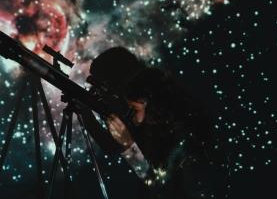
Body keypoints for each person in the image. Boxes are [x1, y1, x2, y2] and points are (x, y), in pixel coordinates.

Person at [84, 47, 229, 199]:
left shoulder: (184, 135)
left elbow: (161, 186)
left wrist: (129, 147)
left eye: (134, 108)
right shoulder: (159, 119)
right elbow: (112, 145)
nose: (132, 116)